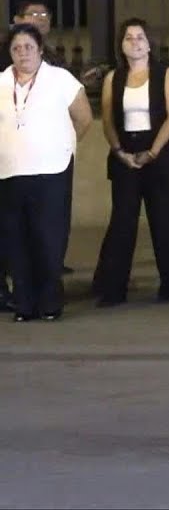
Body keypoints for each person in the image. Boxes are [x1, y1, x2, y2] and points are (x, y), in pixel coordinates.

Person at [91, 19, 169, 307]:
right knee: (122, 221)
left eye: (140, 37)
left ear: (149, 43)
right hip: (126, 151)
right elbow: (108, 120)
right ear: (121, 45)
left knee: (167, 220)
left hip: (159, 149)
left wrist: (153, 151)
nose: (134, 42)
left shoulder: (164, 74)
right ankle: (112, 289)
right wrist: (119, 150)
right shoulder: (114, 78)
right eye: (128, 38)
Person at [0, 24, 93, 321]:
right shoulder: (1, 82)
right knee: (15, 239)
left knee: (48, 238)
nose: (23, 52)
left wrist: (63, 147)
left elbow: (83, 119)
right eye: (16, 48)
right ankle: (24, 304)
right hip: (9, 172)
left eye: (28, 46)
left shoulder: (59, 79)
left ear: (40, 49)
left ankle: (50, 302)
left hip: (52, 171)